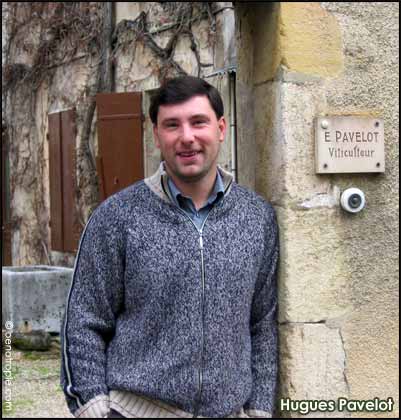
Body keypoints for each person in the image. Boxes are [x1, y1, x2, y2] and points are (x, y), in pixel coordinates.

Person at [61, 76, 279, 418]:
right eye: (172, 125)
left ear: (221, 128)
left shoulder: (257, 217)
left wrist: (259, 410)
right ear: (156, 134)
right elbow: (84, 320)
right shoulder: (117, 217)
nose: (186, 137)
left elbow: (262, 323)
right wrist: (92, 407)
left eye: (199, 122)